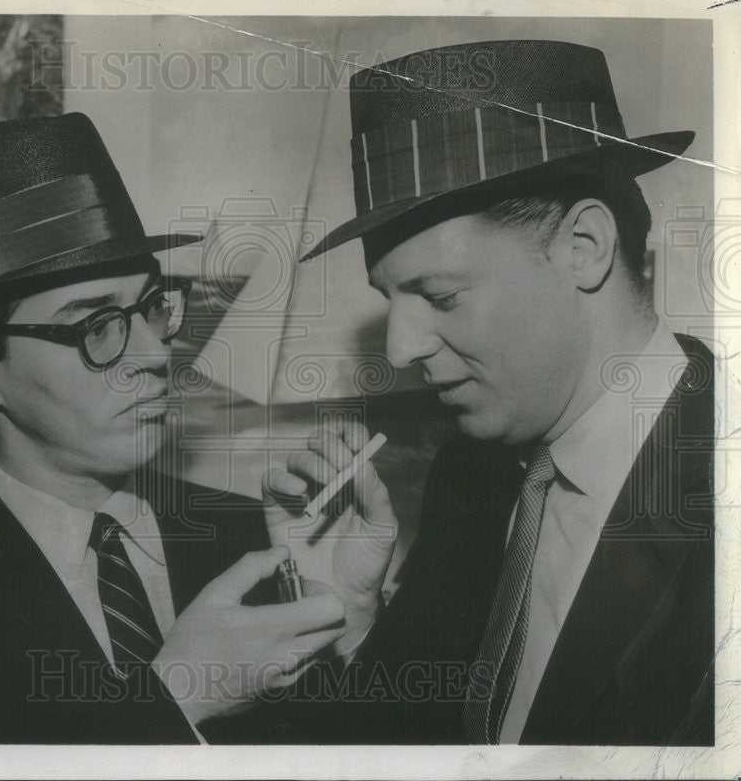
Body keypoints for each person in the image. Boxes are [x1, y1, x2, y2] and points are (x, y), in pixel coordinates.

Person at [0, 113, 353, 744]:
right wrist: (172, 703)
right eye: (96, 327)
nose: (154, 354)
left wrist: (355, 625)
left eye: (151, 307)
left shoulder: (264, 541)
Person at [265, 40, 714, 745]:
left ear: (585, 247)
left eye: (437, 295)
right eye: (389, 298)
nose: (399, 349)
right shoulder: (470, 474)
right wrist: (349, 615)